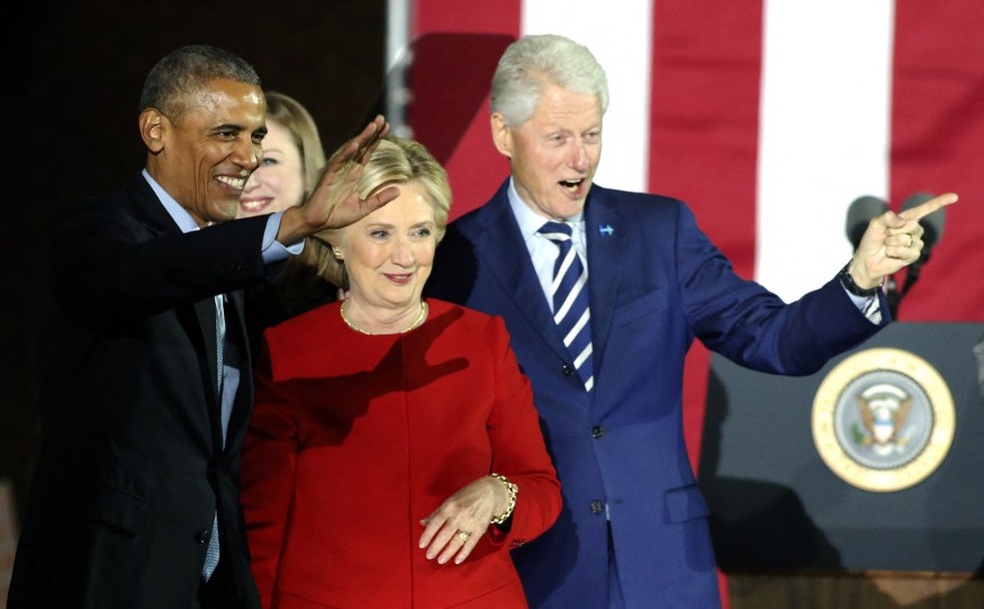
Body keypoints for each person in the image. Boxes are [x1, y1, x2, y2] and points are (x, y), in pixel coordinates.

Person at [424, 33, 959, 608]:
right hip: (533, 570)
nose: (579, 159)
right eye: (557, 139)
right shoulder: (456, 260)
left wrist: (858, 279)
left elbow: (773, 339)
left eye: (592, 135)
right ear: (504, 133)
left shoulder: (660, 232)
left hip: (665, 569)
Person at [6, 44, 397, 609]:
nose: (248, 157)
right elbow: (140, 276)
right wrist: (291, 222)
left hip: (210, 573)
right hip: (108, 573)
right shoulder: (98, 229)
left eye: (257, 137)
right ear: (156, 130)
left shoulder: (230, 267)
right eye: (225, 134)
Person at [239, 137, 563, 609]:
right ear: (339, 243)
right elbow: (262, 527)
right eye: (380, 234)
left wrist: (497, 494)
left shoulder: (483, 340)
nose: (405, 256)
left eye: (419, 232)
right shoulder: (289, 351)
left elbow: (541, 490)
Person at [236, 90, 340, 345]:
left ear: (307, 173)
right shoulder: (199, 277)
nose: (248, 181)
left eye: (269, 161)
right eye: (236, 162)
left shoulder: (336, 282)